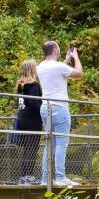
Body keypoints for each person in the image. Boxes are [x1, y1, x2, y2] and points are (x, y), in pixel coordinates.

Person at [37, 40, 84, 186]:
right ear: (55, 51)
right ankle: (60, 177)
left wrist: (66, 60)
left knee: (49, 144)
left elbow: (57, 72)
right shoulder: (58, 67)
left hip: (45, 108)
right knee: (61, 144)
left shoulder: (40, 66)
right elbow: (79, 73)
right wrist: (75, 57)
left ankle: (45, 179)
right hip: (59, 108)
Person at [13, 60, 43, 184]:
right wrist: (44, 109)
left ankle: (24, 175)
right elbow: (34, 104)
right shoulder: (34, 86)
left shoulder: (21, 86)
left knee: (27, 149)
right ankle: (28, 176)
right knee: (31, 149)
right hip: (32, 121)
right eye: (36, 67)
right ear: (32, 70)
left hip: (22, 119)